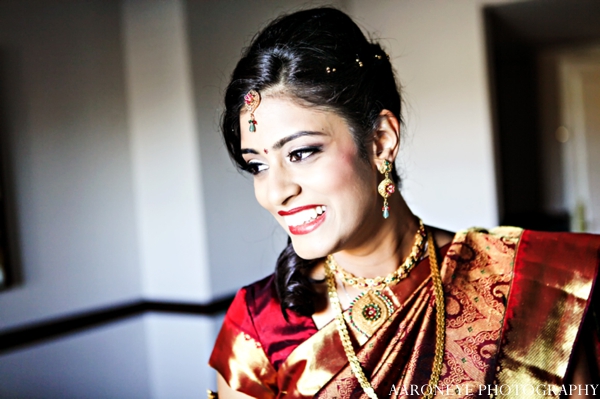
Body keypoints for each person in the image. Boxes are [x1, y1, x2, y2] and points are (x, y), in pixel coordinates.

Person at [208, 7, 600, 399]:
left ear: (380, 141)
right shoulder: (259, 327)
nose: (274, 192)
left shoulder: (530, 284)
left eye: (300, 152)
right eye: (257, 164)